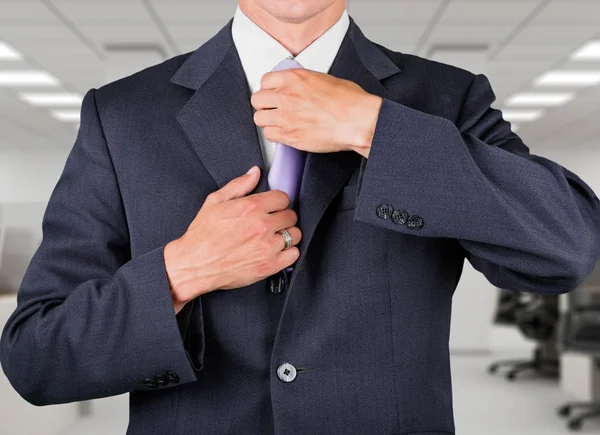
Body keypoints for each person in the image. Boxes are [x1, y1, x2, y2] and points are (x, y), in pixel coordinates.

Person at [1, 1, 600, 434]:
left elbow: (569, 247)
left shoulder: (445, 98)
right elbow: (37, 357)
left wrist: (375, 129)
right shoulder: (123, 114)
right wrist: (181, 272)